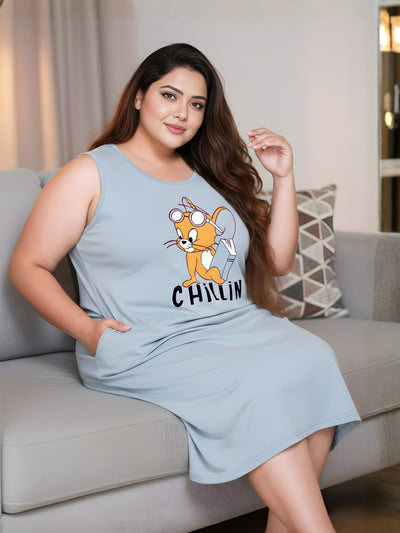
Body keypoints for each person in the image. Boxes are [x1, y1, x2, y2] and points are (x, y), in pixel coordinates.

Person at [8, 43, 360, 533]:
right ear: (139, 97)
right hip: (151, 343)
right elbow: (27, 265)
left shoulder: (209, 172)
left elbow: (279, 260)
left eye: (196, 104)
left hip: (235, 325)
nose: (183, 113)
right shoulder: (90, 173)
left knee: (313, 359)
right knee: (257, 386)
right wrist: (88, 332)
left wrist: (283, 177)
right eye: (169, 95)